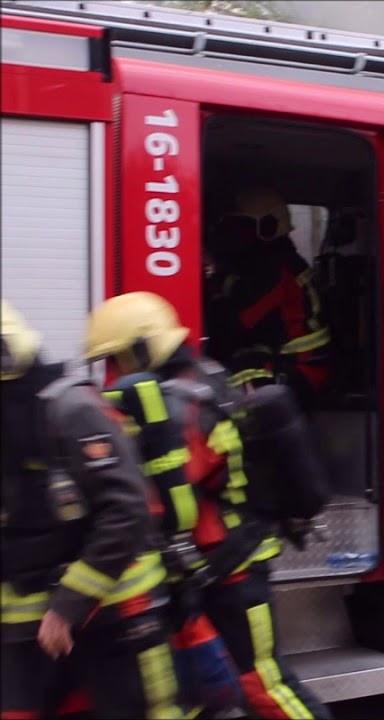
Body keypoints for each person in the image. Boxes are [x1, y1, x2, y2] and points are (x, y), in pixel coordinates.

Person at [83, 291, 331, 720]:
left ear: (143, 348)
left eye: (117, 358)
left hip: (233, 567)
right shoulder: (207, 376)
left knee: (263, 684)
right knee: (209, 689)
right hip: (218, 566)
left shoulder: (181, 408)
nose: (112, 373)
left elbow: (178, 486)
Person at [1, 298, 186, 719]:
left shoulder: (70, 411)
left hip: (115, 612)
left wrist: (67, 606)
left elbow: (125, 513)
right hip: (28, 623)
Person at [204, 186, 331, 409]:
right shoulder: (258, 263)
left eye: (241, 227)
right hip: (285, 359)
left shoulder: (276, 270)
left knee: (233, 374)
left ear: (268, 227)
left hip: (303, 370)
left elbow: (237, 324)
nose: (232, 235)